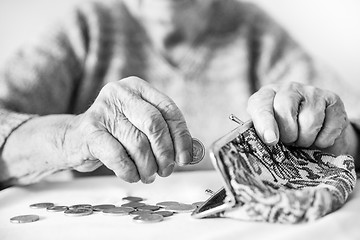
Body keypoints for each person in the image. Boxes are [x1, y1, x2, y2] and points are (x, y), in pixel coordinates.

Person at [0, 0, 359, 189]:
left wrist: (333, 135)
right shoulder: (86, 27)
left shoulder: (256, 33)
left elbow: (350, 122)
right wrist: (70, 138)